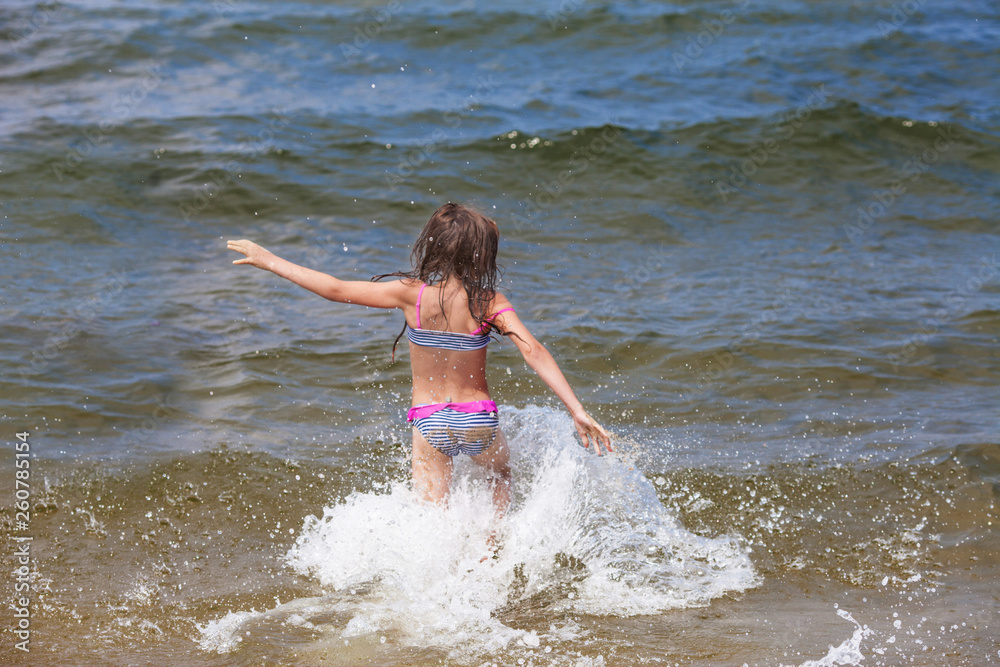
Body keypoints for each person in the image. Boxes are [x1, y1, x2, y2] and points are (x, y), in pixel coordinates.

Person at [227, 203, 612, 526]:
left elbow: (334, 289)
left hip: (428, 420)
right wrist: (576, 410)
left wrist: (268, 259)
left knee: (431, 518)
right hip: (476, 418)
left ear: (436, 247)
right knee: (500, 475)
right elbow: (535, 351)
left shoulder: (411, 295)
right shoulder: (488, 302)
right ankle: (489, 553)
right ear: (481, 255)